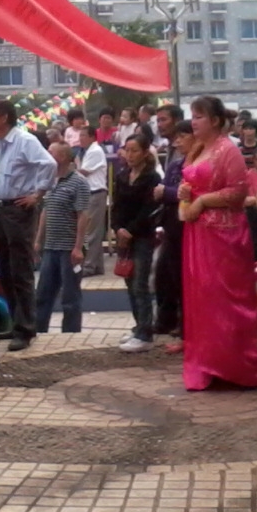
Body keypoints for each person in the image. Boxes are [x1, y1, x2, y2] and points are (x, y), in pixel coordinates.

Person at [176, 95, 257, 391]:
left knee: (225, 299)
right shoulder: (199, 149)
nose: (194, 122)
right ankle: (207, 362)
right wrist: (185, 194)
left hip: (224, 235)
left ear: (215, 121)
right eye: (193, 116)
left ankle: (236, 364)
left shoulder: (227, 149)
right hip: (198, 233)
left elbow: (238, 191)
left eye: (199, 117)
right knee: (201, 298)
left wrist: (202, 200)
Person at [0, 99, 57, 351]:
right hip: (1, 208)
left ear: (4, 117)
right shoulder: (0, 144)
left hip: (19, 210)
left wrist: (38, 194)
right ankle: (17, 323)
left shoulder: (24, 140)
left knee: (20, 270)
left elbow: (49, 164)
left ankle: (26, 329)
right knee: (5, 269)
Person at [34, 142, 91, 334]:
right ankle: (39, 329)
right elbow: (45, 211)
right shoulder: (49, 181)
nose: (47, 155)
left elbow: (83, 215)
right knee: (43, 293)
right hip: (51, 246)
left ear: (65, 157)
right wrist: (38, 240)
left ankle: (71, 332)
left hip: (69, 247)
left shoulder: (79, 182)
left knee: (70, 296)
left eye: (52, 152)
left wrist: (78, 246)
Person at [114, 134, 162, 352]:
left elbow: (148, 210)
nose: (130, 155)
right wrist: (118, 229)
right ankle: (138, 326)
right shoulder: (122, 175)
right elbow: (116, 206)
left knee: (140, 283)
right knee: (129, 281)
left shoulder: (151, 178)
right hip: (124, 237)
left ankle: (145, 332)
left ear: (145, 153)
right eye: (127, 150)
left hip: (142, 236)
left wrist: (131, 230)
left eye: (135, 150)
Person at [152, 106, 187, 340]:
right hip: (171, 218)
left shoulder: (189, 151)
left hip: (185, 218)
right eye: (158, 120)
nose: (160, 125)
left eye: (164, 120)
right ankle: (167, 319)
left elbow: (188, 189)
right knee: (164, 272)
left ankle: (183, 322)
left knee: (178, 272)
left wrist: (166, 192)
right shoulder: (171, 151)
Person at [77, 127, 109, 275]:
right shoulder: (87, 151)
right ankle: (97, 266)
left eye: (83, 135)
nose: (80, 138)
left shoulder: (95, 151)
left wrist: (72, 166)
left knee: (92, 233)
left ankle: (89, 266)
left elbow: (83, 171)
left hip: (95, 193)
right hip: (90, 193)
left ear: (91, 137)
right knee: (92, 231)